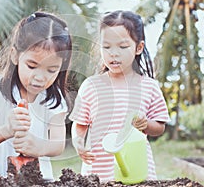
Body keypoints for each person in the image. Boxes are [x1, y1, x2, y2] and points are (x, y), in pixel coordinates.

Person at [0, 11, 72, 180]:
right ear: (15, 55)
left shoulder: (55, 99)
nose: (40, 77)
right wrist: (6, 130)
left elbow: (58, 145)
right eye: (32, 66)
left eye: (51, 70)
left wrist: (40, 147)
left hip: (32, 179)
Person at [69, 10, 170, 182]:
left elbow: (159, 127)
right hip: (98, 173)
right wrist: (78, 142)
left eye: (122, 47)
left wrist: (146, 124)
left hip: (136, 169)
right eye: (106, 47)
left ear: (139, 48)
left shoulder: (148, 86)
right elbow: (80, 124)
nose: (113, 53)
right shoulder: (91, 86)